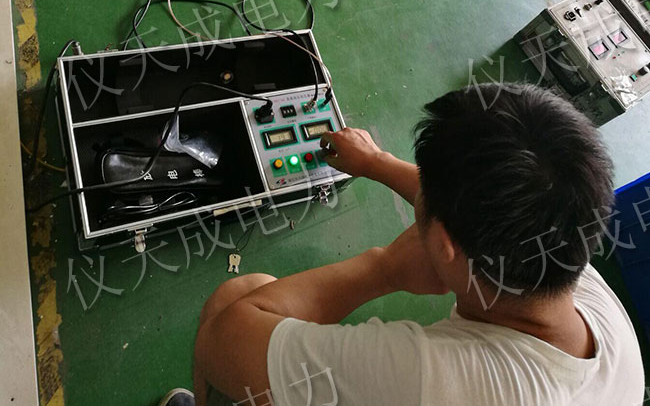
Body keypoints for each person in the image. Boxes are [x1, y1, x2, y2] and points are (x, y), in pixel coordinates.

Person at [159, 83, 645, 406]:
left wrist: (385, 268)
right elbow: (476, 206)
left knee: (238, 297)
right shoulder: (573, 272)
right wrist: (376, 162)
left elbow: (223, 340)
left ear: (446, 246)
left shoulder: (430, 378)